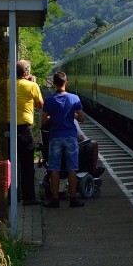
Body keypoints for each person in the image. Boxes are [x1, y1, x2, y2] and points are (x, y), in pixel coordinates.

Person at [41, 71, 87, 208]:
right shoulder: (74, 98)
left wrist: (52, 117)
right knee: (72, 169)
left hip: (55, 137)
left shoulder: (49, 100)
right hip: (71, 137)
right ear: (66, 83)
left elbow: (44, 121)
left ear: (54, 84)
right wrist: (72, 115)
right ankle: (73, 199)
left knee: (54, 168)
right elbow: (82, 118)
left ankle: (55, 200)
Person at [14, 60, 44, 205]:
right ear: (27, 73)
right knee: (27, 166)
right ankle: (29, 197)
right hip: (24, 130)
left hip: (7, 129)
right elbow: (40, 105)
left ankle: (10, 196)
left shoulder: (4, 84)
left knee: (10, 163)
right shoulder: (32, 85)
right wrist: (33, 83)